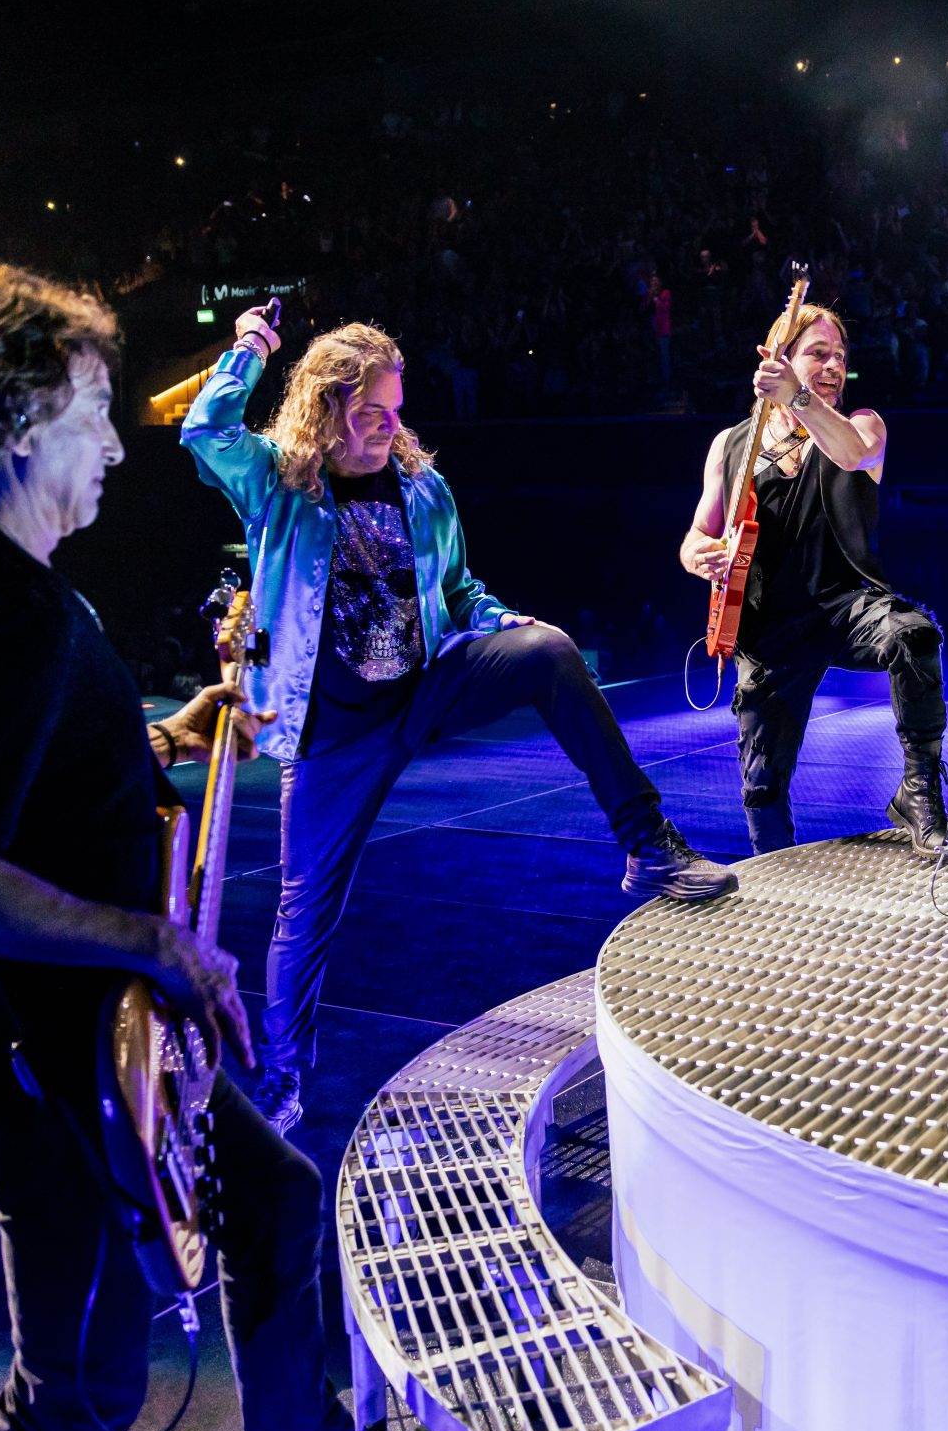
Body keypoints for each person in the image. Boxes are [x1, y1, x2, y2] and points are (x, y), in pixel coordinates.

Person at [0, 263, 453, 1431]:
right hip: (41, 1060)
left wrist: (159, 738)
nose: (116, 447)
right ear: (14, 421)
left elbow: (19, 764)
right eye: (90, 414)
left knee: (273, 1201)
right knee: (70, 1403)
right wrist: (152, 940)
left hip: (97, 1033)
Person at [183, 308, 734, 1136]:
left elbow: (459, 592)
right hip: (332, 735)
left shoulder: (422, 488)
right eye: (370, 411)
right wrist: (250, 346)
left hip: (422, 692)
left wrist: (503, 622)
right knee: (304, 912)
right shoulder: (278, 481)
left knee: (548, 650)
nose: (387, 425)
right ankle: (285, 1074)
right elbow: (203, 430)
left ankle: (649, 846)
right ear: (328, 406)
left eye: (395, 410)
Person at [679, 304, 948, 856]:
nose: (833, 366)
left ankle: (918, 791)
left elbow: (853, 454)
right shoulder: (731, 445)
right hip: (770, 625)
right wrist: (698, 556)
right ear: (780, 359)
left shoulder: (862, 425)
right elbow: (698, 533)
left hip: (847, 605)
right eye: (818, 354)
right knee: (761, 788)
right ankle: (772, 872)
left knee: (914, 635)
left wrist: (798, 397)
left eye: (840, 356)